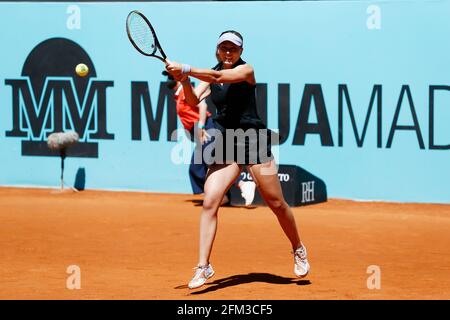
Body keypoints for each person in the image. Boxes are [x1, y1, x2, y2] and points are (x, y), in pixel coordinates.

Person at [166, 30, 310, 289]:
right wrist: (184, 80)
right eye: (224, 48)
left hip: (252, 139)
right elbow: (191, 99)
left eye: (234, 48)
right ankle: (203, 266)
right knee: (210, 200)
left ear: (241, 51)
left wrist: (185, 69)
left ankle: (297, 247)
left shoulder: (246, 70)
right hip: (225, 140)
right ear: (217, 50)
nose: (229, 52)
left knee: (276, 202)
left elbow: (220, 76)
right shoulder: (209, 74)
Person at [163, 71, 256, 205]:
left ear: (178, 80)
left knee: (212, 160)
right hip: (201, 131)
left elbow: (202, 105)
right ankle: (220, 196)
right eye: (168, 78)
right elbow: (188, 117)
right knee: (196, 168)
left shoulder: (184, 91)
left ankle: (243, 184)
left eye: (171, 77)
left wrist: (200, 127)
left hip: (207, 128)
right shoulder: (177, 95)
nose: (168, 80)